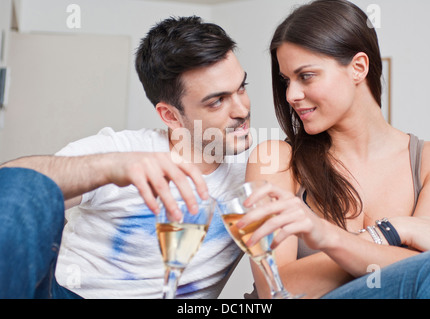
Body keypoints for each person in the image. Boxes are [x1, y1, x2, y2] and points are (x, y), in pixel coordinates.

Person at [0, 16, 252, 298]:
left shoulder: (258, 171)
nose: (241, 109)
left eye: (242, 87)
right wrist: (107, 167)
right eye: (217, 101)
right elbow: (15, 188)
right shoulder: (121, 150)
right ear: (170, 115)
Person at [238, 0, 430, 299]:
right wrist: (392, 231)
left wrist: (328, 238)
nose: (291, 95)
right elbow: (275, 289)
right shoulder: (275, 160)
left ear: (358, 68)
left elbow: (429, 274)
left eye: (306, 76)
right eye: (286, 80)